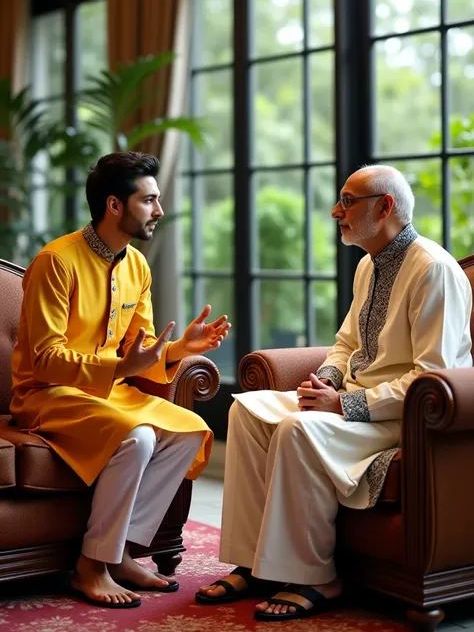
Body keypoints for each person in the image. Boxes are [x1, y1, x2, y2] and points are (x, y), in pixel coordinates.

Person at [196, 164, 472, 622]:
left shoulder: (433, 270)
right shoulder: (369, 264)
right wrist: (326, 378)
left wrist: (344, 403)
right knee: (245, 410)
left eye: (348, 201)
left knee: (296, 430)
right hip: (353, 401)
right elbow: (346, 344)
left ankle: (316, 576)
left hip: (404, 418)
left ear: (385, 207)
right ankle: (253, 563)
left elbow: (433, 377)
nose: (335, 211)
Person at [10, 151, 230, 609]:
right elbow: (46, 360)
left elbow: (140, 351)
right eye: (149, 200)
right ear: (115, 205)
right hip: (46, 394)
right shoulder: (56, 262)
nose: (159, 211)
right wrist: (122, 369)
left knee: (189, 432)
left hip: (111, 393)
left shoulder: (137, 267)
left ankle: (125, 552)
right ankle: (91, 566)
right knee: (139, 437)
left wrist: (178, 351)